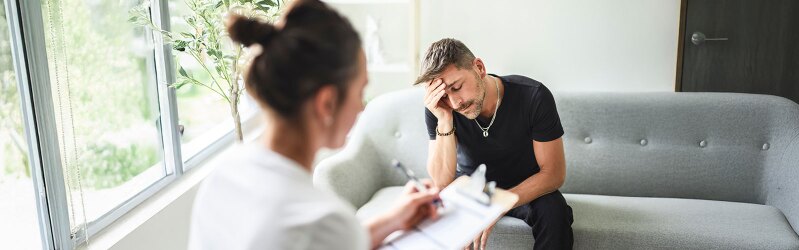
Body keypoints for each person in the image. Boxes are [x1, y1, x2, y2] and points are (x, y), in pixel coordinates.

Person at [188, 1, 439, 249]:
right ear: (327, 103)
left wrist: (393, 219)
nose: (362, 107)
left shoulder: (224, 175)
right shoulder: (322, 220)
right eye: (360, 92)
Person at [416, 38, 574, 250]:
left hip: (527, 185)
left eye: (457, 87)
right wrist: (444, 118)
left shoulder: (533, 96)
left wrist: (499, 204)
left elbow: (554, 174)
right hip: (472, 188)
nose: (456, 103)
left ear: (479, 68)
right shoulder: (441, 108)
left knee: (555, 212)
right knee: (437, 221)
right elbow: (442, 182)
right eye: (445, 95)